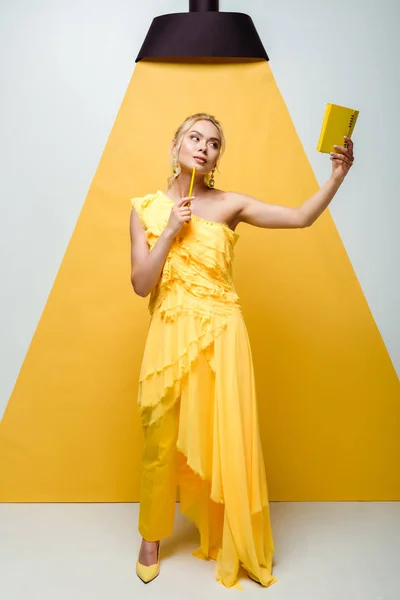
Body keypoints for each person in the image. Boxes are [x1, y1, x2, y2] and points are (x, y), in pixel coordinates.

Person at [129, 113, 354, 589]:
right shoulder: (144, 208)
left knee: (227, 434)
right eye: (194, 137)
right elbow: (140, 284)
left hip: (223, 333)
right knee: (159, 439)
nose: (203, 147)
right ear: (174, 145)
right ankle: (150, 536)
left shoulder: (230, 203)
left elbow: (299, 217)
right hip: (170, 332)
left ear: (216, 158)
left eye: (214, 144)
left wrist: (335, 177)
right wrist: (169, 230)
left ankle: (233, 531)